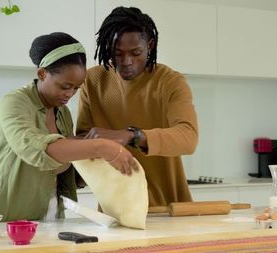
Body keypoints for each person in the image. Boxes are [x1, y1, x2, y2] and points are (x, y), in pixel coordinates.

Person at [0, 32, 138, 222]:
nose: (70, 94)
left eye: (76, 88)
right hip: (4, 217)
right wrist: (101, 146)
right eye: (65, 86)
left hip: (51, 217)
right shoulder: (14, 102)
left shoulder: (62, 112)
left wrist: (96, 166)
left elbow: (62, 165)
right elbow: (34, 149)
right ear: (42, 73)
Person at [76, 7, 199, 207]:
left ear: (149, 46)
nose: (126, 62)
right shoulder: (92, 81)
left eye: (136, 52)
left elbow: (188, 137)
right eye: (117, 53)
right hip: (115, 208)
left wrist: (132, 135)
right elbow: (84, 139)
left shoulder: (170, 82)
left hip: (168, 207)